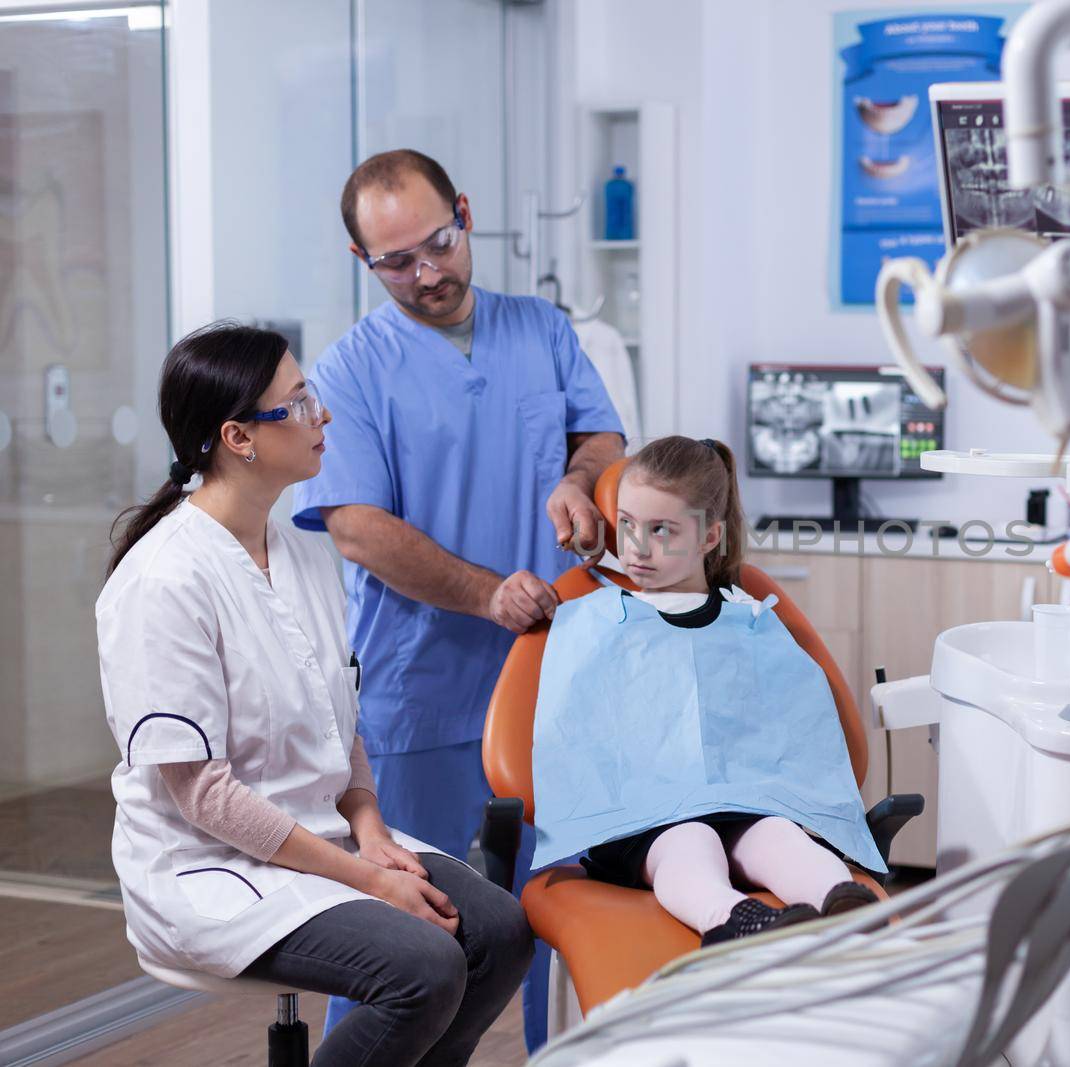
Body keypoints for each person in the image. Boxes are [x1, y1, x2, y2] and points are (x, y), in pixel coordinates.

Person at [99, 323, 534, 1067]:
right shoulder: (164, 579)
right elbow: (202, 794)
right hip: (211, 866)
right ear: (238, 436)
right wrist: (365, 877)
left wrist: (370, 829)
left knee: (499, 930)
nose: (321, 414)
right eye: (297, 402)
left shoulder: (302, 554)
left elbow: (344, 720)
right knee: (423, 968)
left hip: (323, 839)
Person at [291, 150, 625, 1046]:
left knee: (557, 915)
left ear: (465, 214)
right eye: (395, 261)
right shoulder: (350, 370)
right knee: (404, 931)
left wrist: (578, 479)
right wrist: (486, 594)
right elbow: (356, 524)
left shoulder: (542, 329)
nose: (426, 273)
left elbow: (600, 433)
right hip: (424, 692)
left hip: (553, 683)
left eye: (438, 244)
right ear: (363, 260)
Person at [530, 436, 884, 945]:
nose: (638, 547)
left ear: (708, 536)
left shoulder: (751, 621)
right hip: (644, 820)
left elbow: (794, 731)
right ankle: (730, 918)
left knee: (777, 836)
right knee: (690, 842)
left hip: (742, 802)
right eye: (627, 525)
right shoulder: (597, 619)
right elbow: (576, 736)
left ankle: (844, 905)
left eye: (662, 531)